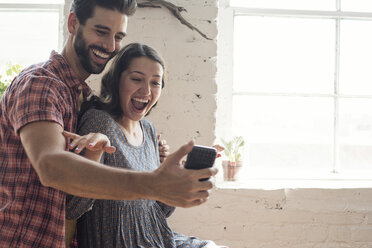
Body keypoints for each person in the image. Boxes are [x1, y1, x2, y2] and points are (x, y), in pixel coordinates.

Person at [0, 1, 217, 247]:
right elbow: (51, 167)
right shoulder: (40, 84)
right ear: (73, 24)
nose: (110, 46)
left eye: (118, 36)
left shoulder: (81, 96)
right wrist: (154, 184)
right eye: (101, 32)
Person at [64, 42, 224, 248]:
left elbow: (157, 212)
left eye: (155, 83)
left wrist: (179, 177)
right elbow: (73, 208)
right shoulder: (99, 122)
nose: (146, 90)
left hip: (158, 239)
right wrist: (93, 156)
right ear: (116, 81)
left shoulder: (147, 129)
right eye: (137, 79)